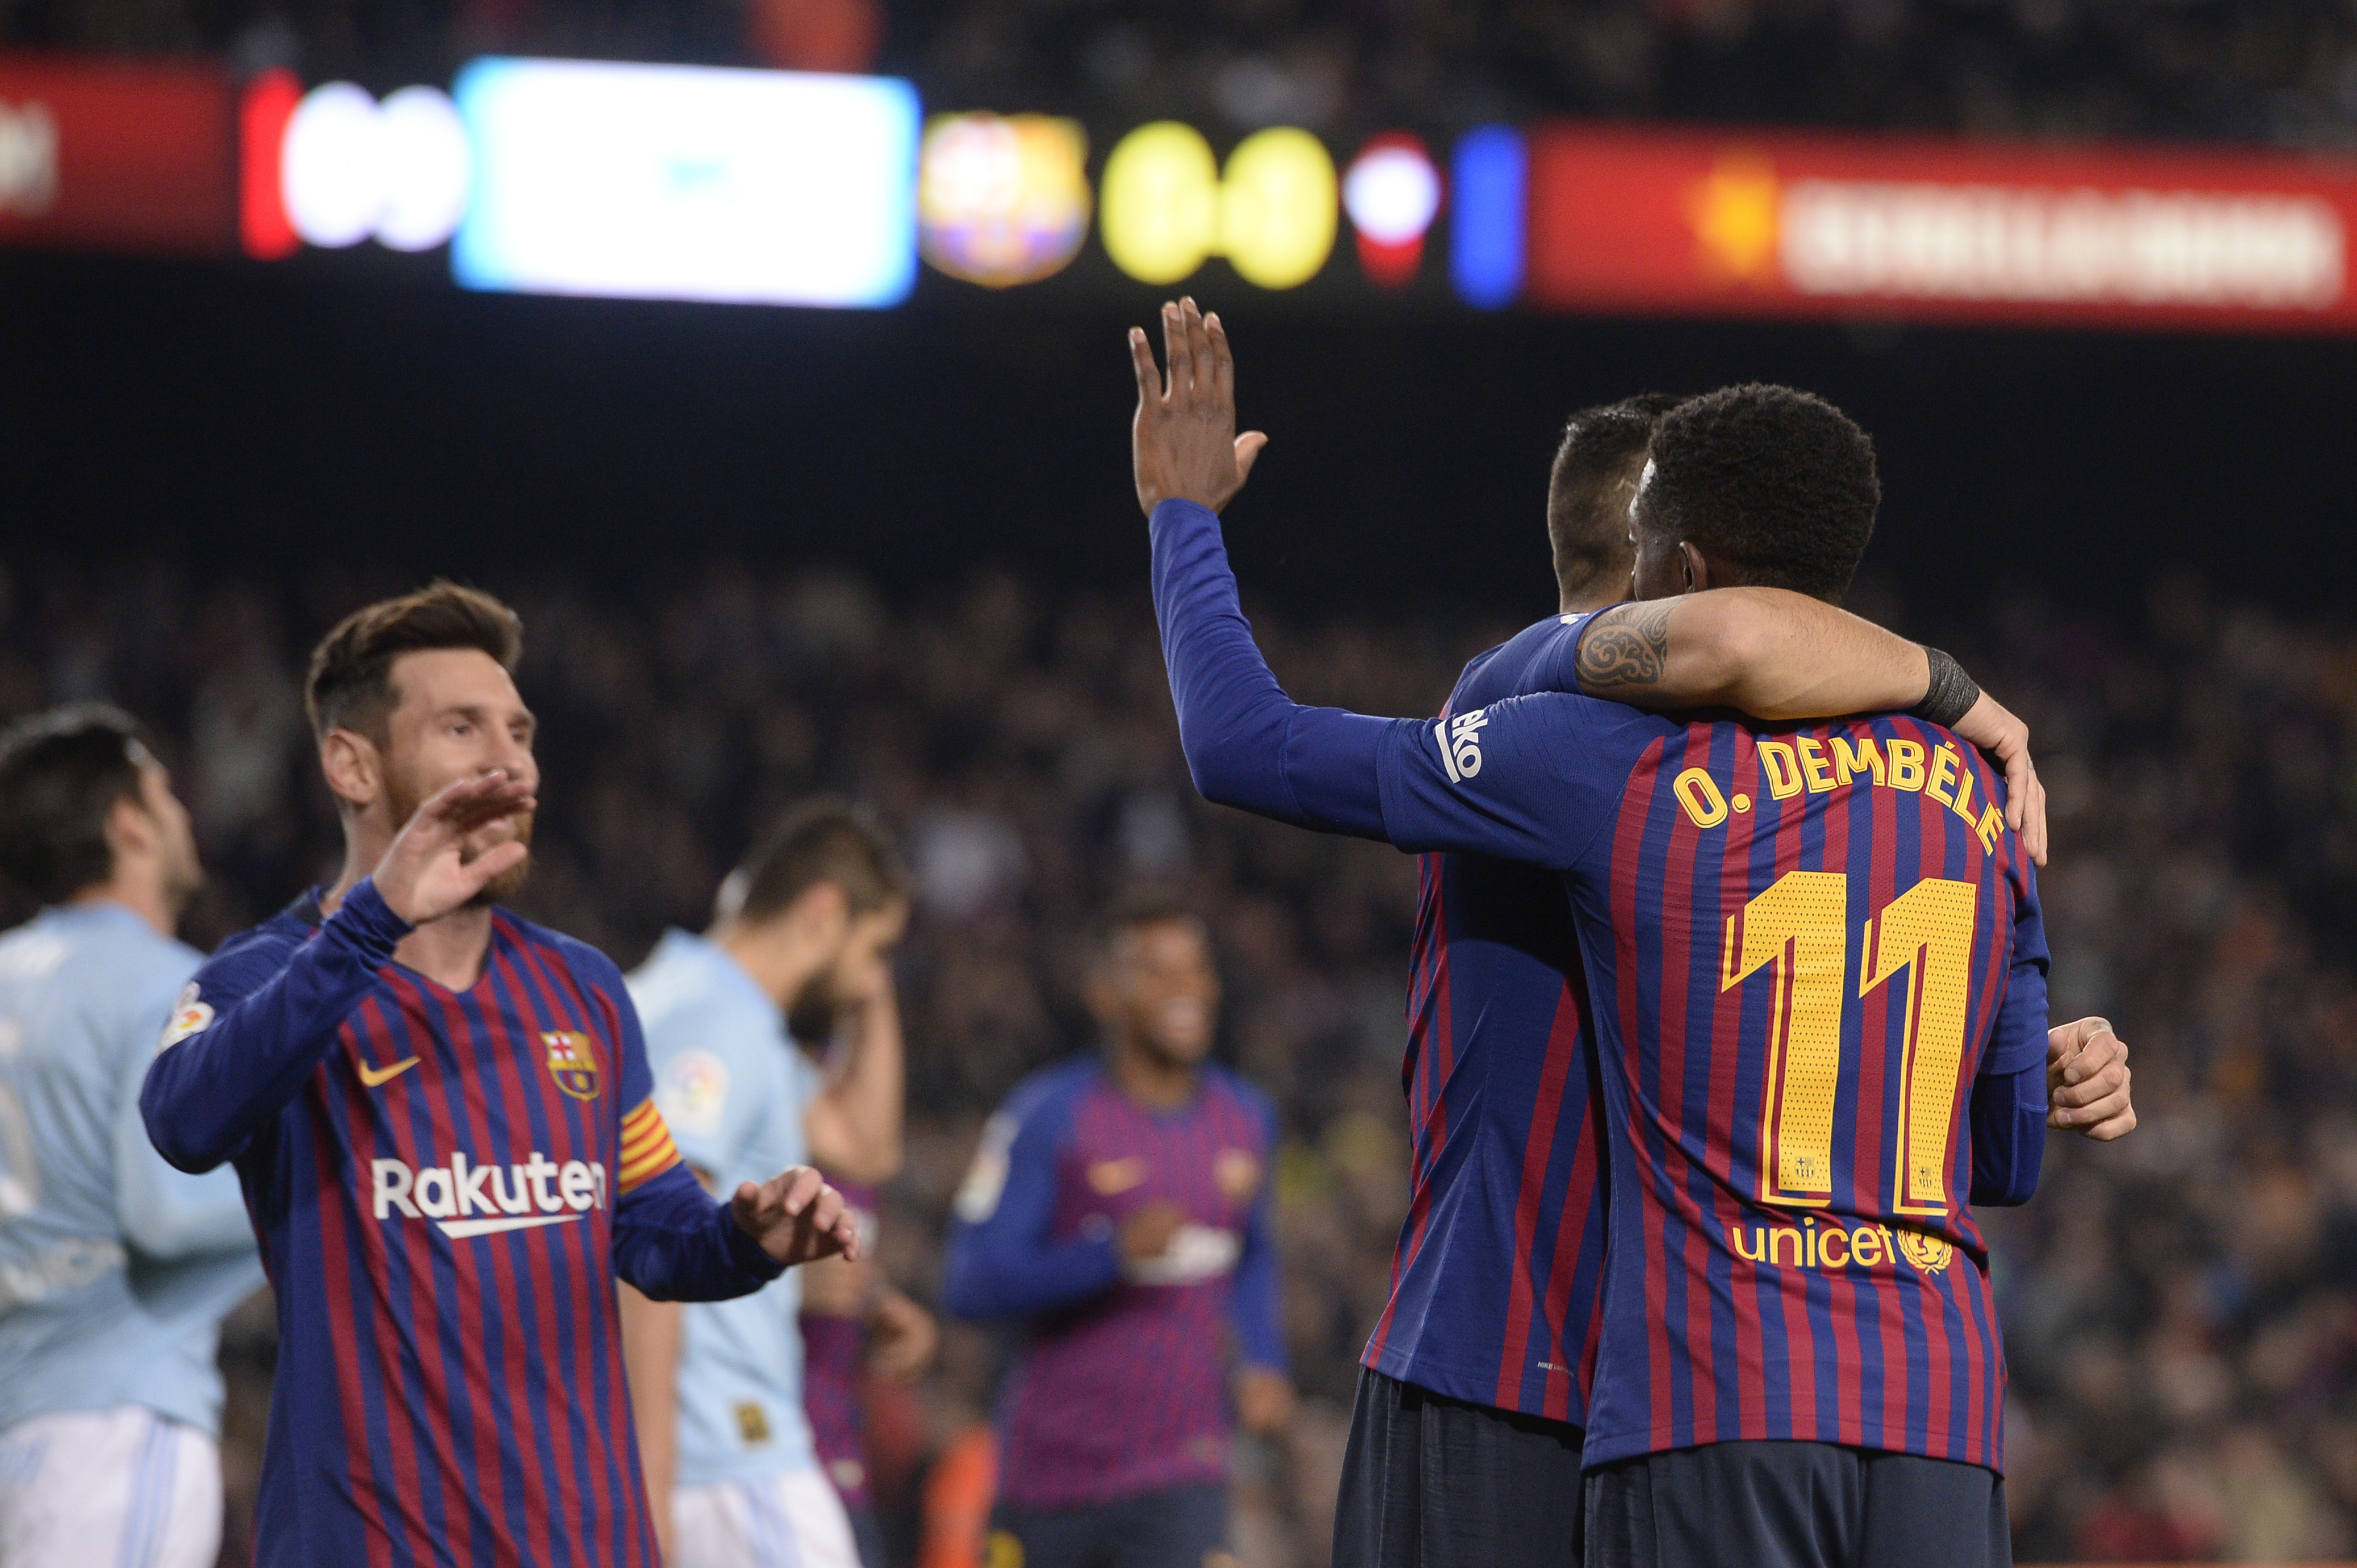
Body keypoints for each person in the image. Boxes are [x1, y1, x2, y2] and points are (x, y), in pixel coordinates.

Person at [1128, 301, 2136, 1567]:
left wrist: (1182, 520)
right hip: (1605, 1375)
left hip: (1615, 1378)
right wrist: (1962, 690)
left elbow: (1242, 740)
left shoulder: (1591, 750)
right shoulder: (1541, 691)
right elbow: (1745, 641)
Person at [137, 582, 860, 1568]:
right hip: (370, 1545)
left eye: (518, 731)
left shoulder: (582, 987)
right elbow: (182, 1122)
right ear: (351, 764)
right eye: (461, 728)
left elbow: (648, 1232)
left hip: (582, 1544)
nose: (509, 760)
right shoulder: (265, 976)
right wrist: (372, 924)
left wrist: (744, 1237)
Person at [943, 898, 1289, 1568]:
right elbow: (970, 1282)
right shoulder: (1046, 1117)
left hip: (1183, 1472)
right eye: (1155, 971)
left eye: (1195, 967)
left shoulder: (1246, 1117)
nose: (1184, 987)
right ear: (1104, 992)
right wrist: (1107, 1255)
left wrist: (1265, 1361)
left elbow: (1252, 1255)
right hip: (1051, 1475)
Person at [620, 799, 918, 1568]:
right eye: (873, 949)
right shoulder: (714, 1020)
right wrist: (647, 1480)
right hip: (722, 1454)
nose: (866, 982)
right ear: (823, 911)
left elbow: (864, 1142)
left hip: (722, 1456)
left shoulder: (728, 1011)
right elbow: (648, 1238)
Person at [0, 705, 264, 1567]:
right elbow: (172, 1215)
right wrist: (319, 1187)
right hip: (114, 1426)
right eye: (164, 795)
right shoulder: (161, 985)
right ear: (128, 825)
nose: (183, 815)